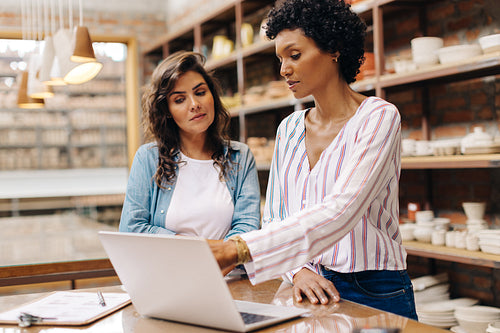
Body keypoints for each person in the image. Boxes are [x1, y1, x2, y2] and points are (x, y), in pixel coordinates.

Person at [209, 0, 418, 320]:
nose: (283, 69)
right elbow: (276, 215)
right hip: (306, 286)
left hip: (375, 288)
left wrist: (239, 248)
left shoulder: (378, 118)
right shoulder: (289, 128)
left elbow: (341, 211)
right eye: (280, 59)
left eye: (295, 55)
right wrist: (298, 272)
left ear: (334, 49)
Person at [119, 51, 261, 241]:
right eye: (179, 99)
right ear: (167, 111)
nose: (194, 104)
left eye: (200, 93)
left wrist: (215, 258)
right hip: (171, 269)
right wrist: (197, 251)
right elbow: (131, 227)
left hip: (228, 270)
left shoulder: (240, 156)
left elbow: (248, 226)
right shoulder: (148, 158)